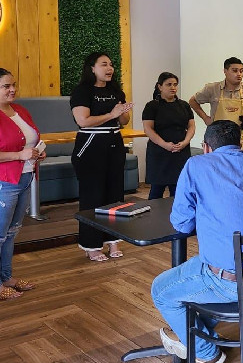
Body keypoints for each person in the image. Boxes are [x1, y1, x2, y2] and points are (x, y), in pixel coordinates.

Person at [151, 120, 243, 363]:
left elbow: (182, 224)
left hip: (231, 283)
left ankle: (206, 350)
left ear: (206, 147)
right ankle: (194, 336)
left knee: (160, 290)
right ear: (240, 143)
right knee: (201, 266)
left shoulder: (196, 164)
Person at [70, 52, 133, 262]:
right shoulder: (82, 91)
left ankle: (113, 240)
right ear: (92, 68)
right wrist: (111, 114)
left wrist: (123, 112)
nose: (109, 68)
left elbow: (123, 121)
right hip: (91, 144)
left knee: (115, 195)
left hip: (114, 142)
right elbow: (83, 121)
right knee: (92, 197)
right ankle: (91, 245)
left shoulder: (115, 91)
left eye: (111, 64)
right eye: (104, 64)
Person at [0, 68, 45, 300]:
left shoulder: (20, 110)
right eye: (6, 86)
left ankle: (6, 277)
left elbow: (30, 141)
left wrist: (37, 152)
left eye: (13, 85)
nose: (12, 89)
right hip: (5, 181)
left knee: (11, 233)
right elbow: (17, 151)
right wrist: (19, 155)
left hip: (26, 177)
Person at [142, 72, 195, 199]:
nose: (173, 87)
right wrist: (165, 145)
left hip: (180, 151)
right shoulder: (152, 106)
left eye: (175, 85)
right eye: (169, 84)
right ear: (160, 86)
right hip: (159, 151)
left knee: (179, 189)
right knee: (156, 190)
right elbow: (148, 129)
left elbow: (191, 126)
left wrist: (185, 142)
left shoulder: (184, 105)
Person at [188, 57, 243, 149]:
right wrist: (205, 118)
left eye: (241, 71)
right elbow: (192, 101)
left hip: (240, 141)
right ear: (225, 71)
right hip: (216, 140)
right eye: (235, 71)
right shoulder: (212, 89)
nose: (239, 74)